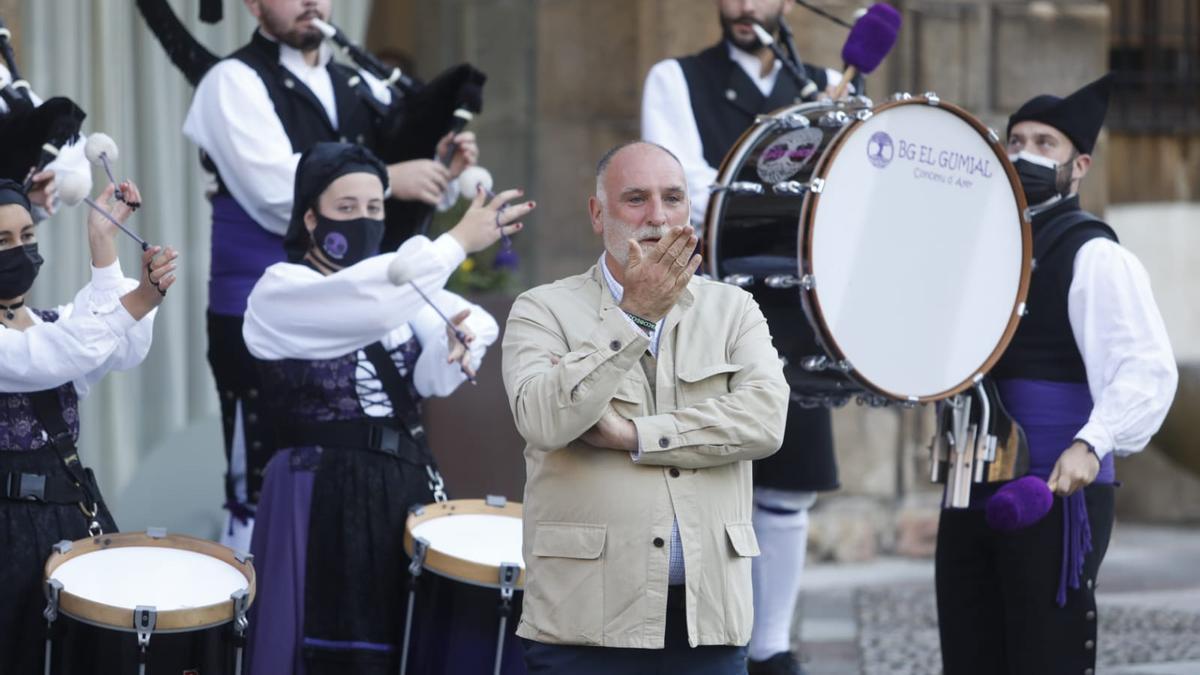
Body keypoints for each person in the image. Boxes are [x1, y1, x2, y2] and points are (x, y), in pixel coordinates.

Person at [182, 0, 478, 549]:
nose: (311, 2)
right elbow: (277, 194)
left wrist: (439, 163)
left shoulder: (354, 82)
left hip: (368, 301)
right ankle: (259, 621)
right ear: (252, 4)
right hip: (268, 305)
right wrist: (392, 178)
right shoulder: (233, 81)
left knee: (365, 464)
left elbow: (392, 180)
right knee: (263, 476)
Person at [241, 142, 530, 675]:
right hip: (317, 486)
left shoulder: (397, 287)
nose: (364, 219)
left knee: (406, 641)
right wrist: (458, 239)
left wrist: (457, 342)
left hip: (401, 487)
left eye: (374, 209)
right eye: (346, 207)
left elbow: (442, 358)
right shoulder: (281, 291)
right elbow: (366, 303)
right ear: (310, 216)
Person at [502, 140, 789, 674]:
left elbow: (766, 422)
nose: (657, 216)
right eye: (635, 198)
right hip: (585, 620)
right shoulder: (542, 309)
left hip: (708, 619)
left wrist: (636, 436)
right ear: (597, 213)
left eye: (673, 198)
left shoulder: (733, 309)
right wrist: (633, 314)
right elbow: (544, 419)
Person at [935, 74, 1178, 675]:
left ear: (1080, 166)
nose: (1024, 154)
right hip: (969, 487)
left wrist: (1092, 446)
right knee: (971, 651)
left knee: (1048, 655)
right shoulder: (983, 247)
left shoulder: (1094, 254)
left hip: (1052, 487)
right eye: (1016, 139)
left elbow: (1145, 368)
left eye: (1046, 144)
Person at [641, 3, 845, 671]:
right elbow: (685, 193)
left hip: (797, 308)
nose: (741, 7)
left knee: (786, 489)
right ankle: (705, 648)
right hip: (706, 304)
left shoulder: (819, 85)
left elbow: (849, 201)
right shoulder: (677, 79)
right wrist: (796, 196)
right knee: (704, 478)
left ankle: (773, 649)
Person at [0, 179, 177, 674]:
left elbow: (119, 346)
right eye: (3, 241)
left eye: (27, 237)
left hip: (66, 523)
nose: (20, 251)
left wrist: (103, 244)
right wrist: (142, 296)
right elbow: (53, 357)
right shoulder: (46, 341)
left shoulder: (53, 322)